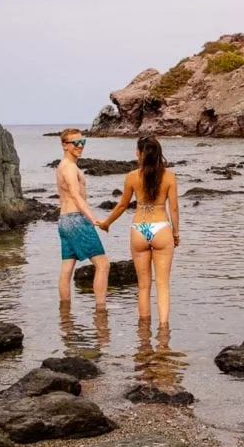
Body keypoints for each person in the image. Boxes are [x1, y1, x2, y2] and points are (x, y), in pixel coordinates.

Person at [97, 135, 179, 327]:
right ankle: (163, 331)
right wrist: (176, 233)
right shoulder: (169, 177)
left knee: (143, 286)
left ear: (139, 154)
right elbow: (174, 209)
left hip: (139, 230)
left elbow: (122, 205)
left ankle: (143, 336)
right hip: (161, 228)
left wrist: (106, 222)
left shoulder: (132, 177)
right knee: (162, 285)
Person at [56, 128, 109, 308]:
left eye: (82, 142)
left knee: (67, 268)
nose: (80, 146)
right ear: (64, 145)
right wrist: (93, 218)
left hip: (64, 221)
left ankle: (65, 314)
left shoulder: (63, 166)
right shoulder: (69, 168)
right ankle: (101, 310)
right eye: (75, 143)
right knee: (102, 264)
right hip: (76, 219)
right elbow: (76, 196)